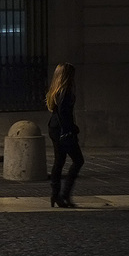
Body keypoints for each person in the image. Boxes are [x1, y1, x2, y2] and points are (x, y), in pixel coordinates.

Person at [45, 62, 84, 208]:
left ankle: (56, 195)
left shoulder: (56, 89)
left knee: (59, 161)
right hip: (63, 130)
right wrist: (71, 130)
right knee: (78, 160)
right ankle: (64, 195)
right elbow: (64, 113)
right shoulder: (66, 90)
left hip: (54, 128)